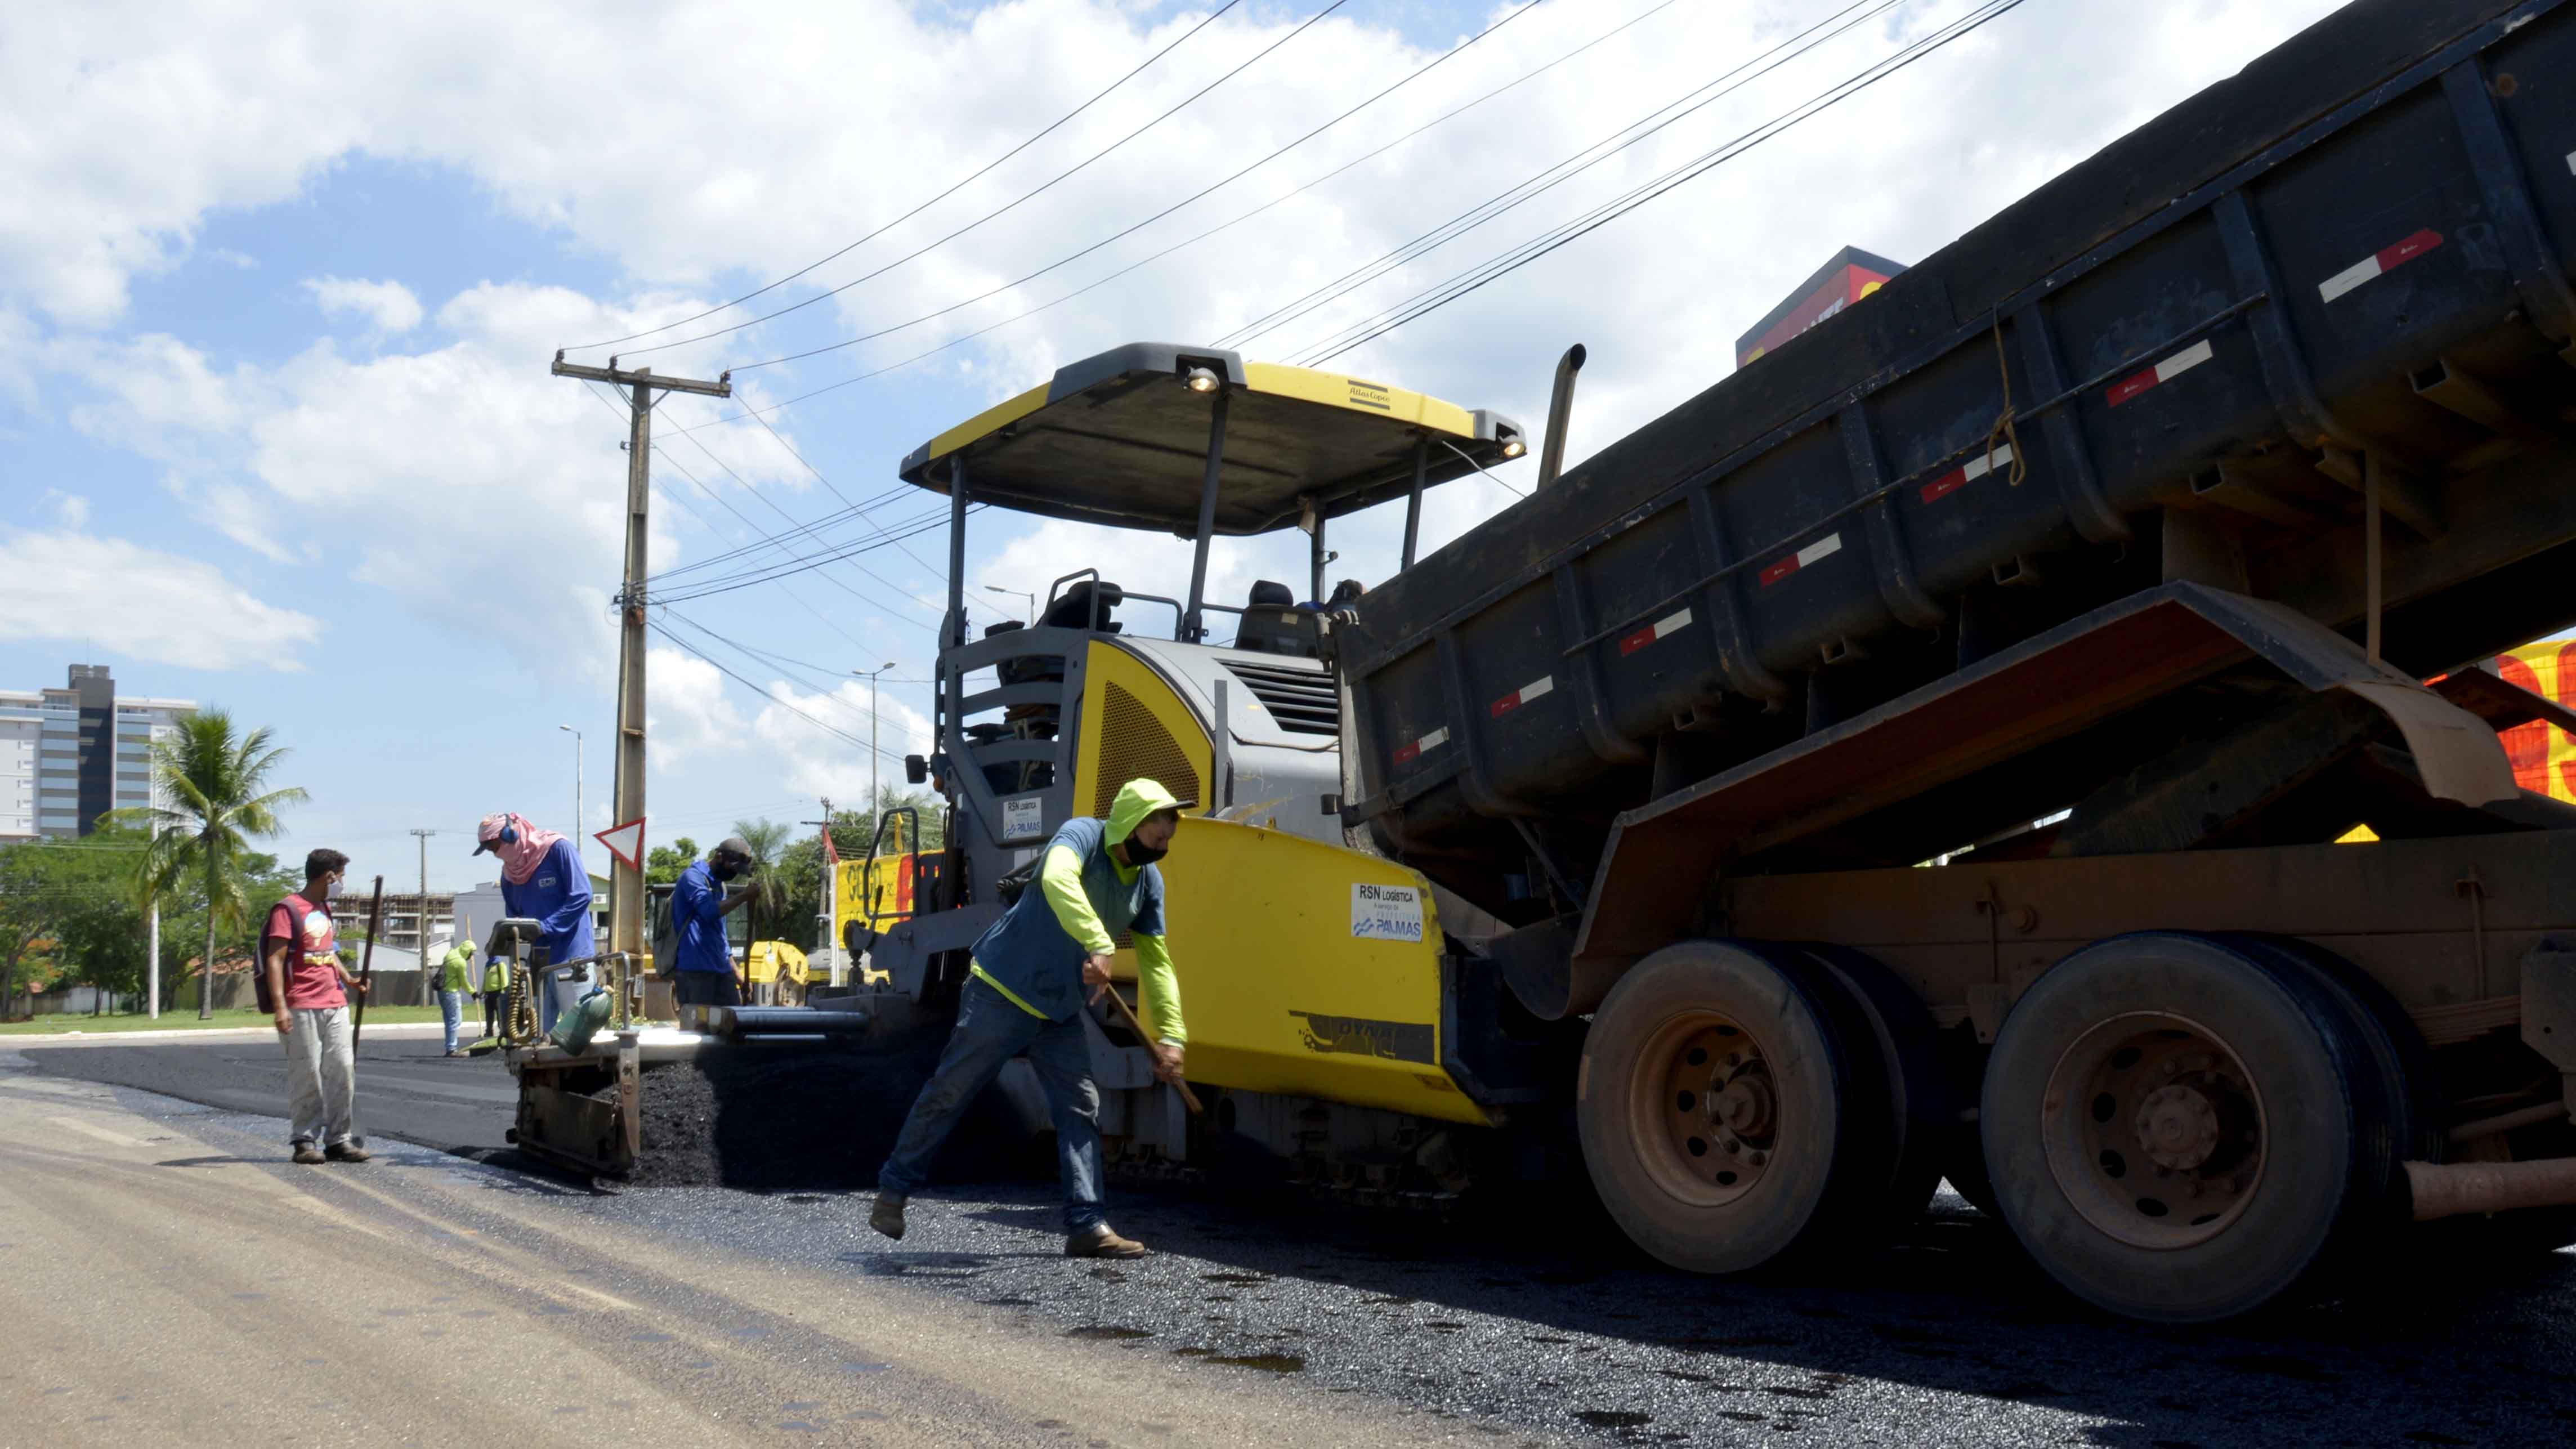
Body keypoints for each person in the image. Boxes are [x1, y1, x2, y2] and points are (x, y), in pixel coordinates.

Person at [872, 779, 1189, 1259]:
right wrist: (1099, 940)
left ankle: (1087, 1225)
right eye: (1158, 837)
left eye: (1168, 839)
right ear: (1130, 826)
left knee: (1081, 1108)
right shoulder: (1081, 836)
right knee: (951, 1091)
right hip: (1001, 991)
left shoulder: (1147, 884)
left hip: (1059, 1011)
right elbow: (1055, 879)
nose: (1164, 847)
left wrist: (1171, 1036)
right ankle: (893, 1191)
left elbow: (1157, 962)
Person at [260, 848, 370, 1165]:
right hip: (301, 1006)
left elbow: (326, 951)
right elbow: (276, 958)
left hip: (334, 1003)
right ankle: (305, 1141)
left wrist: (349, 980)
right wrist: (281, 1007)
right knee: (308, 1074)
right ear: (329, 876)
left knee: (343, 1071)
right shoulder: (288, 908)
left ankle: (339, 1140)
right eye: (341, 878)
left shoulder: (323, 909)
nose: (343, 885)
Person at [472, 812, 594, 1034]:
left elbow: (582, 895)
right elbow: (515, 920)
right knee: (539, 1036)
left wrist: (546, 927)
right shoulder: (509, 877)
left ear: (510, 834)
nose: (496, 855)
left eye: (495, 847)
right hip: (538, 965)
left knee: (578, 1035)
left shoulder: (557, 849)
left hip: (573, 959)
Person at [669, 837, 757, 1009]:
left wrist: (737, 974)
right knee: (698, 1031)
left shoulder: (719, 887)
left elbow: (720, 936)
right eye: (732, 868)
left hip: (722, 972)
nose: (733, 874)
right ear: (719, 857)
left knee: (732, 1027)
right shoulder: (692, 877)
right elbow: (709, 911)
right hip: (695, 973)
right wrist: (744, 896)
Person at [435, 934, 476, 1057]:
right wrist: (473, 992)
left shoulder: (450, 954)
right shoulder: (460, 962)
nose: (471, 957)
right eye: (471, 954)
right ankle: (452, 1049)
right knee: (455, 1021)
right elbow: (463, 982)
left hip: (442, 992)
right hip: (451, 993)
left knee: (449, 1021)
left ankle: (450, 1047)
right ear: (467, 952)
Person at [479, 931, 508, 1039]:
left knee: (500, 1014)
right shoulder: (488, 966)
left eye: (489, 951)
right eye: (487, 952)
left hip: (498, 993)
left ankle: (502, 1031)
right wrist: (482, 992)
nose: (488, 953)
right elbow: (485, 981)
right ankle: (489, 1031)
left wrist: (503, 991)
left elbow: (505, 979)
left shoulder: (500, 964)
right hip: (488, 994)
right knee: (489, 1014)